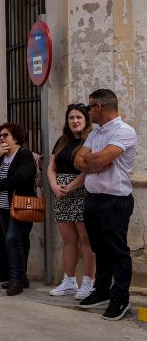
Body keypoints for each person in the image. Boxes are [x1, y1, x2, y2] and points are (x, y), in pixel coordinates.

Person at [74, 89, 138, 321]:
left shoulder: (124, 131)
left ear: (99, 106)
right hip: (93, 198)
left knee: (117, 250)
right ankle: (101, 290)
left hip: (115, 200)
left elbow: (97, 159)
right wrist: (95, 163)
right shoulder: (96, 132)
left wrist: (93, 161)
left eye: (90, 107)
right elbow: (77, 160)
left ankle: (120, 297)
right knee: (99, 249)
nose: (88, 111)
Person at [48, 103, 94, 299]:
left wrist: (70, 187)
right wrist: (54, 186)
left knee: (86, 241)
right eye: (71, 118)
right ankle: (69, 281)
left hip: (81, 192)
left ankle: (89, 282)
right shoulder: (62, 141)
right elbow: (52, 167)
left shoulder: (91, 140)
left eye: (79, 118)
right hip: (61, 194)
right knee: (68, 241)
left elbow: (88, 169)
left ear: (86, 120)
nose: (75, 121)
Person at [0, 123, 36, 296]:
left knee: (12, 239)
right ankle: (20, 277)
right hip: (4, 206)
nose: (2, 138)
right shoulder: (1, 156)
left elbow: (23, 177)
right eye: (0, 135)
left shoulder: (24, 154)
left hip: (21, 204)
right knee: (18, 241)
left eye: (5, 135)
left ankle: (16, 280)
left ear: (16, 137)